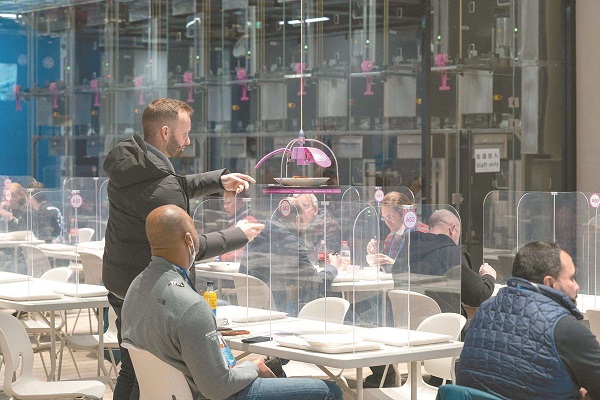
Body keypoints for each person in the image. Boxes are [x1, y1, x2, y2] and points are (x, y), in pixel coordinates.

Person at [103, 98, 265, 400]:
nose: (188, 141)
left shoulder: (133, 163)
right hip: (149, 286)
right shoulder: (159, 184)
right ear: (165, 132)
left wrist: (217, 180)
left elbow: (170, 184)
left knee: (133, 366)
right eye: (185, 133)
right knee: (142, 372)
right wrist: (237, 235)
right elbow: (186, 245)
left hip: (122, 280)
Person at [122, 205, 342, 400]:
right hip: (212, 394)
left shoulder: (134, 288)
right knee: (329, 391)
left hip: (170, 393)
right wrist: (252, 367)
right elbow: (218, 388)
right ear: (190, 239)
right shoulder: (191, 306)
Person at [367, 209, 496, 388]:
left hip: (409, 328)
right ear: (453, 229)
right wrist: (489, 277)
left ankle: (438, 377)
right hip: (445, 332)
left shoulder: (407, 249)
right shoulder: (451, 253)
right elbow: (477, 295)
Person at [457, 241, 600, 400]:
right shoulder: (565, 328)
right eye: (572, 278)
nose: (577, 286)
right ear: (550, 283)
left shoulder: (484, 311)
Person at [240, 197, 341, 315]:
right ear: (298, 220)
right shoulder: (290, 244)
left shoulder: (255, 235)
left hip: (250, 309)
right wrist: (333, 267)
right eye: (304, 222)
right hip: (280, 312)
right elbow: (315, 285)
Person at [367, 191, 428, 270]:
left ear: (404, 212)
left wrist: (395, 264)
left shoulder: (423, 233)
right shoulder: (390, 237)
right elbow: (385, 265)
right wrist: (376, 254)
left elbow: (424, 268)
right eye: (384, 218)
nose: (387, 222)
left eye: (390, 216)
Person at [296, 193, 342, 265]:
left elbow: (326, 258)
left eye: (305, 206)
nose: (300, 210)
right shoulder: (291, 225)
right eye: (297, 207)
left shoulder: (328, 227)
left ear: (315, 210)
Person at [219, 190, 257, 262]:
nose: (225, 206)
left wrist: (222, 257)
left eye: (229, 202)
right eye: (224, 203)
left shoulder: (248, 222)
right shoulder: (234, 222)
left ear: (242, 202)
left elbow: (242, 253)